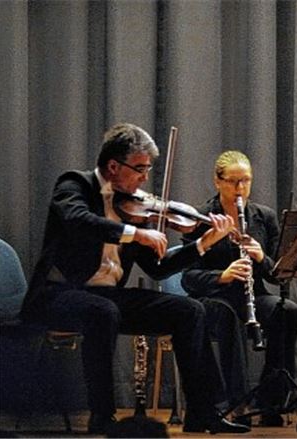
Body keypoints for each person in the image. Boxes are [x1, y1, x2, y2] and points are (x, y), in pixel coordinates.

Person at [20, 123, 250, 434]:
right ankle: (102, 415)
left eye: (148, 169)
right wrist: (135, 234)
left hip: (107, 296)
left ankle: (203, 413)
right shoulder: (75, 185)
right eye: (139, 169)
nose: (144, 178)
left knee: (189, 310)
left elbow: (158, 268)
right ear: (113, 166)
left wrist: (203, 243)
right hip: (57, 294)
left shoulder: (134, 205)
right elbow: (78, 220)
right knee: (103, 312)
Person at [181, 150, 297, 427]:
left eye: (246, 181)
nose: (240, 189)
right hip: (213, 298)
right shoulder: (200, 217)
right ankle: (236, 402)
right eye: (234, 182)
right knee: (226, 316)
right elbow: (188, 277)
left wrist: (261, 257)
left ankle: (271, 401)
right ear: (218, 181)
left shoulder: (264, 217)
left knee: (288, 312)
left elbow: (279, 276)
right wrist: (221, 276)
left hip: (253, 295)